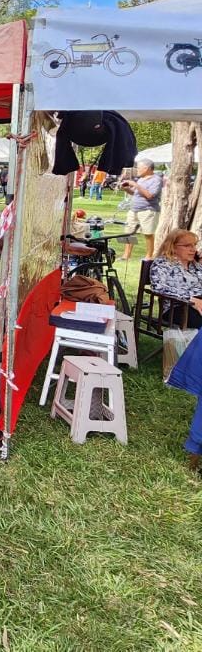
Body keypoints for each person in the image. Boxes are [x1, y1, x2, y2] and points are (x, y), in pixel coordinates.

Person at [152, 229, 202, 476]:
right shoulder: (162, 264)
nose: (193, 250)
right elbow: (160, 288)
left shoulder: (196, 267)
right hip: (176, 307)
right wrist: (192, 299)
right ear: (174, 246)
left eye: (194, 245)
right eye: (188, 246)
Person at [121, 158, 163, 260]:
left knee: (148, 233)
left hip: (148, 210)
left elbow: (150, 195)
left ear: (147, 168)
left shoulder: (156, 180)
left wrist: (135, 185)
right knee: (129, 232)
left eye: (139, 168)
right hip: (134, 209)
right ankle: (126, 255)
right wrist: (127, 189)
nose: (137, 170)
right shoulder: (141, 179)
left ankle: (149, 256)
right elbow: (135, 193)